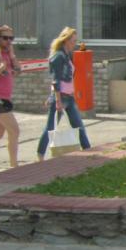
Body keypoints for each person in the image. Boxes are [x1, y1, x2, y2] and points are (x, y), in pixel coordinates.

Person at [37, 27, 91, 160]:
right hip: (60, 97)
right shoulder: (58, 56)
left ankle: (89, 152)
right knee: (50, 128)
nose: (74, 44)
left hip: (69, 97)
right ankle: (40, 155)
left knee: (79, 127)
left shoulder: (67, 55)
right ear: (65, 40)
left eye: (75, 41)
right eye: (73, 41)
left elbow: (70, 77)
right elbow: (56, 79)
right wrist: (57, 100)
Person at [0, 25, 23, 167]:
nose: (9, 41)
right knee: (14, 130)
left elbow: (18, 70)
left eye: (11, 38)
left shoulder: (7, 55)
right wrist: (1, 67)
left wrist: (12, 56)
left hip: (6, 98)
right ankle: (14, 166)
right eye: (5, 38)